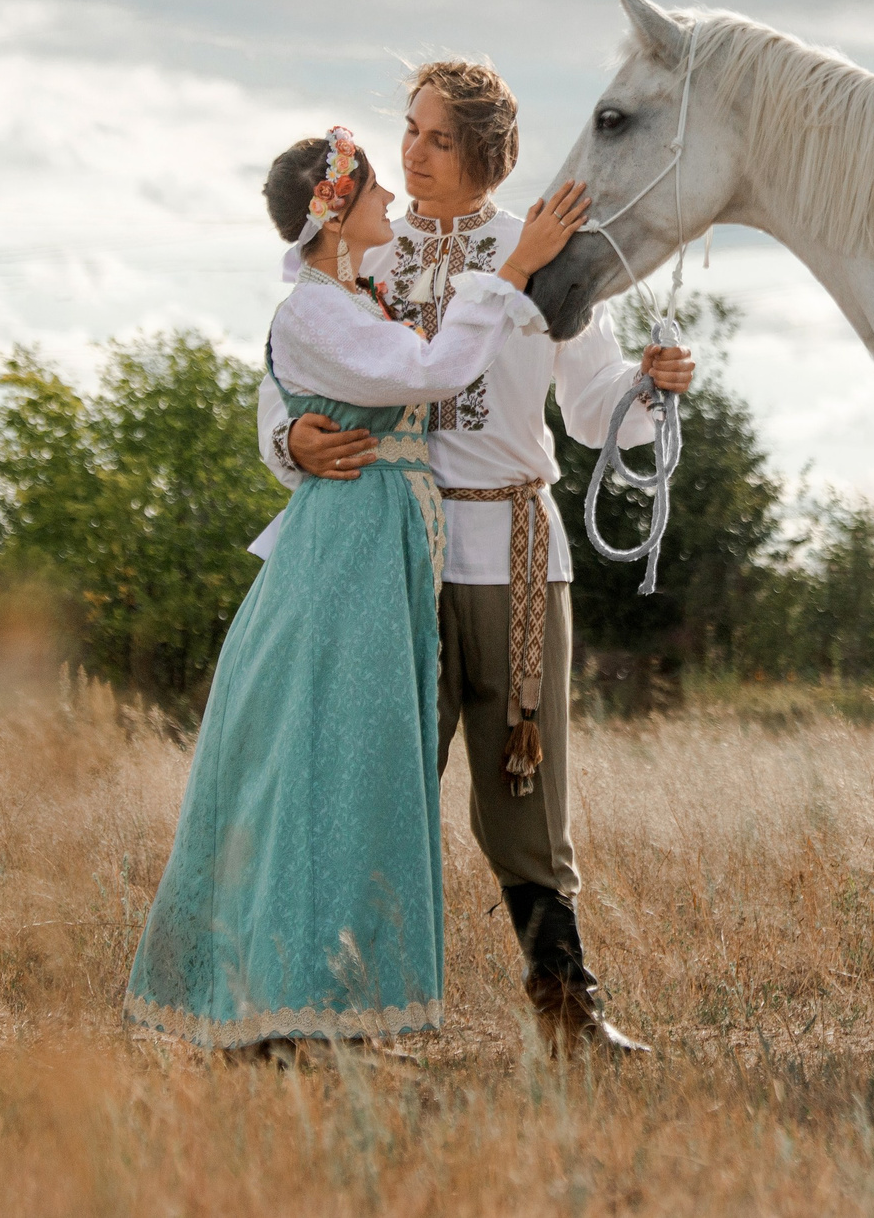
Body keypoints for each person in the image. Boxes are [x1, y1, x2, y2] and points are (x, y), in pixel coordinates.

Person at [260, 61, 693, 1053]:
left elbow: (592, 409)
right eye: (409, 132)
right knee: (377, 782)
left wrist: (652, 385)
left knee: (526, 795)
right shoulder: (368, 247)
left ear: (486, 154)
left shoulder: (545, 253)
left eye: (437, 138)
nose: (411, 154)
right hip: (392, 554)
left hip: (516, 552)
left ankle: (569, 1013)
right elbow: (287, 382)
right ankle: (337, 1015)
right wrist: (290, 443)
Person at [126, 126, 582, 1058]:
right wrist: (512, 273)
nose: (394, 189)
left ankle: (332, 1014)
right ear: (334, 212)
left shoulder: (352, 293)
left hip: (392, 550)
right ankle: (284, 1014)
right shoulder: (314, 309)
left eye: (428, 139)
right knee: (325, 767)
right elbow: (420, 372)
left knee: (358, 774)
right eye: (375, 181)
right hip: (349, 551)